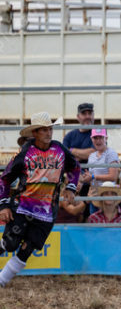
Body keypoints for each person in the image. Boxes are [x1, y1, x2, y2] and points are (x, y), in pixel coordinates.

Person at [0, 111, 80, 287]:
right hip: (21, 207)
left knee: (28, 248)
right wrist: (3, 206)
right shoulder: (25, 152)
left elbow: (75, 167)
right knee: (9, 243)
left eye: (50, 129)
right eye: (44, 130)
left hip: (47, 211)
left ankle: (2, 280)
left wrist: (71, 187)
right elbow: (5, 178)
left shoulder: (60, 149)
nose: (48, 133)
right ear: (35, 133)